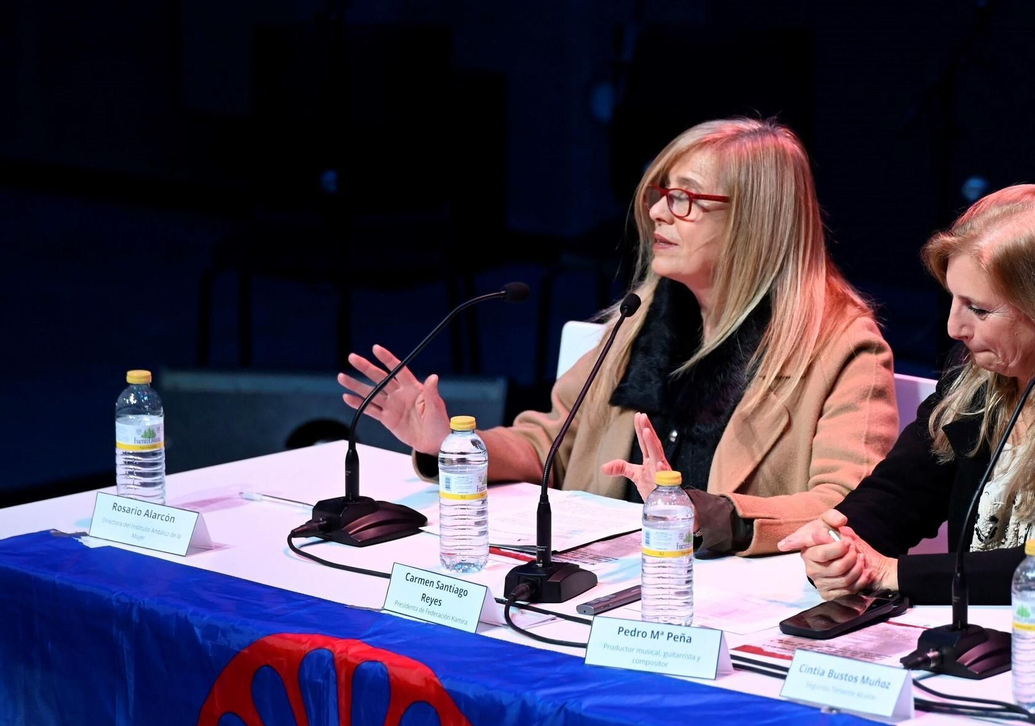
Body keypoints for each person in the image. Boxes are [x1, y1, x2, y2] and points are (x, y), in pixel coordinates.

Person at [339, 118, 900, 556]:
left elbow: (849, 506)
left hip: (726, 595)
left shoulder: (840, 345)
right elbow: (553, 443)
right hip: (613, 571)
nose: (656, 212)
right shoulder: (644, 317)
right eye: (659, 192)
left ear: (755, 220)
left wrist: (715, 514)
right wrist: (452, 445)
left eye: (684, 198)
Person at [779, 184, 1035, 607]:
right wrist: (840, 544)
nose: (954, 328)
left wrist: (892, 573)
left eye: (979, 309)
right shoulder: (981, 373)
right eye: (954, 300)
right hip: (983, 630)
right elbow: (900, 492)